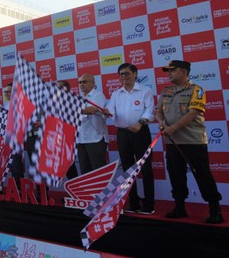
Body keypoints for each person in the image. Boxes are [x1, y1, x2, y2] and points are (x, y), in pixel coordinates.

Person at [156, 60, 225, 224]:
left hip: (193, 141)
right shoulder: (166, 91)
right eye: (168, 71)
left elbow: (193, 113)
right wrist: (161, 123)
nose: (169, 74)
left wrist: (172, 128)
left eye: (172, 71)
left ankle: (215, 210)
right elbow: (158, 111)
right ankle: (179, 208)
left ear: (183, 72)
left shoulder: (197, 90)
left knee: (203, 175)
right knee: (175, 175)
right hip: (173, 143)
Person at [103, 63, 155, 215]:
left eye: (126, 73)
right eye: (121, 74)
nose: (123, 77)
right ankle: (133, 203)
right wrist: (107, 113)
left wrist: (140, 123)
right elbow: (111, 110)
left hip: (141, 133)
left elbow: (150, 111)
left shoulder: (145, 90)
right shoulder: (116, 93)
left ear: (135, 74)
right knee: (127, 170)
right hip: (123, 134)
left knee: (145, 169)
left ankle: (149, 204)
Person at [77, 74, 108, 174]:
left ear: (93, 84)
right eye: (80, 82)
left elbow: (92, 110)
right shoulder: (79, 98)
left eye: (84, 82)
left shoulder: (98, 95)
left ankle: (102, 190)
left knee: (98, 172)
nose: (82, 84)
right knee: (85, 172)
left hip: (95, 139)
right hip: (81, 140)